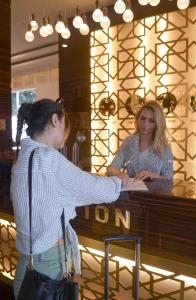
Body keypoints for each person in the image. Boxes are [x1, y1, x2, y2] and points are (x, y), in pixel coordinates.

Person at [11, 98, 124, 299]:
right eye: (65, 124)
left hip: (27, 267)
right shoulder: (48, 158)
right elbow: (96, 189)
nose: (67, 132)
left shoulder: (23, 157)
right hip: (48, 271)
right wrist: (118, 181)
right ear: (55, 119)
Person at [107, 100, 173, 183]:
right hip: (132, 193)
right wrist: (117, 173)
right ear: (137, 118)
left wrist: (153, 175)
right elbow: (111, 167)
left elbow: (169, 179)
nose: (145, 124)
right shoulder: (129, 142)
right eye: (143, 118)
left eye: (151, 121)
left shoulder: (164, 146)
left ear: (158, 124)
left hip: (155, 194)